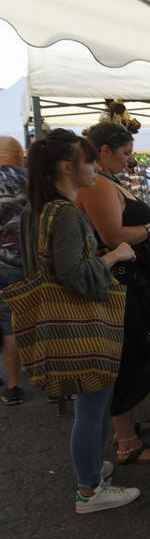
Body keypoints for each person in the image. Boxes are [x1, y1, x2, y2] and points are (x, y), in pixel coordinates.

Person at [20, 129, 140, 512]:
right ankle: (89, 490)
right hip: (81, 322)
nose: (94, 168)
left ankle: (91, 469)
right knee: (92, 406)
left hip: (53, 322)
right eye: (88, 161)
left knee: (90, 404)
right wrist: (115, 256)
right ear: (66, 168)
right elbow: (73, 274)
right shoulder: (67, 215)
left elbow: (41, 269)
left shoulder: (35, 210)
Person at [76, 123, 150, 465]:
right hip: (119, 283)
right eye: (126, 153)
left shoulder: (107, 181)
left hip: (129, 280)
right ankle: (127, 443)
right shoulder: (98, 184)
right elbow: (113, 235)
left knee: (132, 353)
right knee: (130, 358)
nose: (130, 160)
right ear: (104, 150)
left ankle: (125, 427)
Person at [0, 137, 27, 405]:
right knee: (39, 319)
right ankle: (53, 383)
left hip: (2, 266)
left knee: (7, 325)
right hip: (32, 265)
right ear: (19, 154)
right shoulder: (33, 181)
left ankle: (14, 385)